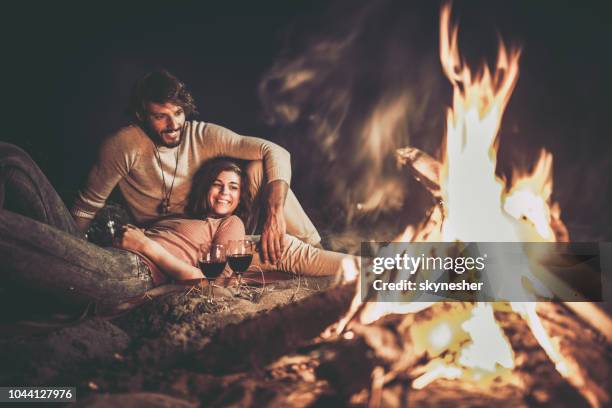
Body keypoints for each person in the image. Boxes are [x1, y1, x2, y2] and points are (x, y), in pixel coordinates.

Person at [0, 143, 352, 315]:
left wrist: (147, 247)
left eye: (233, 188)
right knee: (13, 158)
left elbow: (212, 283)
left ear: (241, 196)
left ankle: (402, 272)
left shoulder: (232, 225)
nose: (225, 193)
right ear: (206, 188)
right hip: (101, 251)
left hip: (130, 269)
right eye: (218, 184)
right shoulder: (184, 218)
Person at [71, 69, 320, 265]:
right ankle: (352, 279)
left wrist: (274, 216)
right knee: (295, 256)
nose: (174, 124)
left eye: (178, 113)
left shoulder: (201, 134)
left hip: (223, 226)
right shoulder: (123, 145)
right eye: (161, 116)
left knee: (260, 170)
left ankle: (329, 258)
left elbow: (275, 151)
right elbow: (85, 207)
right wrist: (72, 259)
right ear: (140, 114)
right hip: (174, 240)